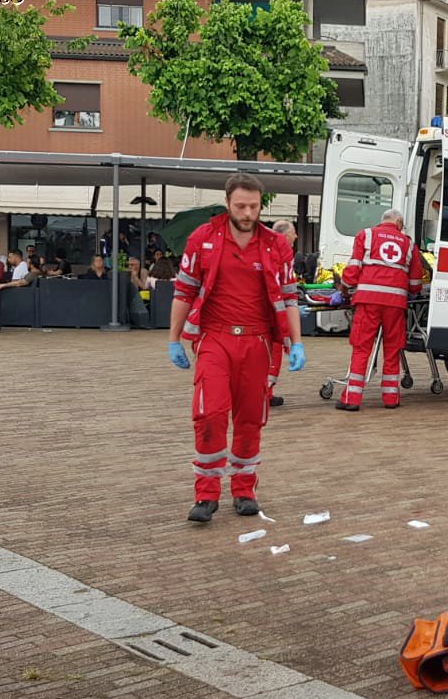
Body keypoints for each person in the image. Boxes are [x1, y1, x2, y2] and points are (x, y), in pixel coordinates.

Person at [166, 172, 304, 523]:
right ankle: (206, 493)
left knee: (250, 418)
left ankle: (244, 489)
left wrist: (297, 342)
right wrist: (173, 339)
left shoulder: (276, 245)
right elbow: (184, 291)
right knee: (209, 413)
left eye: (254, 206)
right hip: (215, 337)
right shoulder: (204, 238)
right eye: (240, 205)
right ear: (227, 202)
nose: (247, 212)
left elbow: (289, 297)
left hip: (258, 341)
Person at [337, 208, 425, 411]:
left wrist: (344, 289)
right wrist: (410, 290)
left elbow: (353, 268)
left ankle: (352, 399)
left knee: (362, 347)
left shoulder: (366, 235)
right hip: (396, 303)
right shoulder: (409, 244)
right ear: (399, 222)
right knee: (393, 348)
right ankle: (391, 398)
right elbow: (415, 282)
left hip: (368, 300)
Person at [268, 221, 300, 407]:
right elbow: (287, 293)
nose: (296, 237)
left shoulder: (263, 247)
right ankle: (265, 392)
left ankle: (263, 391)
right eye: (293, 233)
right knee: (274, 352)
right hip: (274, 312)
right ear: (285, 235)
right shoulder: (283, 252)